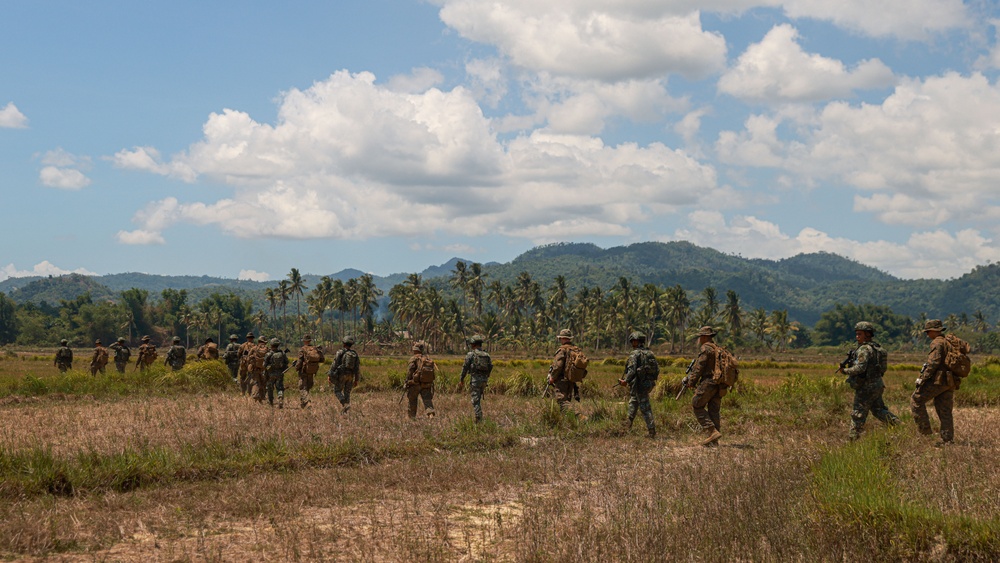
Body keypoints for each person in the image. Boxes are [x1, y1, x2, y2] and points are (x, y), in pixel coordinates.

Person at [838, 321, 899, 440]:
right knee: (878, 410)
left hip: (865, 387)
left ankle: (852, 439)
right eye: (856, 334)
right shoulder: (878, 349)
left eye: (859, 334)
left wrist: (845, 371)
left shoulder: (864, 349)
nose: (857, 337)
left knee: (858, 413)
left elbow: (860, 368)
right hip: (877, 385)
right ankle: (898, 425)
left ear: (867, 334)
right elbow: (883, 368)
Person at [911, 319, 958, 445]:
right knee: (945, 410)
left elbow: (933, 363)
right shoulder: (948, 342)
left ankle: (925, 434)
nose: (927, 335)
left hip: (939, 381)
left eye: (928, 332)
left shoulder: (937, 343)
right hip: (950, 381)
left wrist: (922, 379)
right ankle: (947, 439)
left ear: (933, 331)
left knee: (916, 400)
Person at [682, 326, 726, 446]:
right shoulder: (718, 349)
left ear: (705, 336)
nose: (699, 339)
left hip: (708, 382)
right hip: (719, 384)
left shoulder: (706, 349)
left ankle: (712, 431)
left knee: (697, 404)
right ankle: (714, 441)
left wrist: (691, 382)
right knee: (714, 410)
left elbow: (699, 367)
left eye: (701, 336)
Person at [618, 331, 658, 438]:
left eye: (632, 341)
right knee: (633, 403)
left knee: (645, 408)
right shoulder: (649, 353)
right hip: (647, 383)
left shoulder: (634, 354)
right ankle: (627, 427)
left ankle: (652, 432)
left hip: (639, 385)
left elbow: (631, 371)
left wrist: (625, 381)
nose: (632, 343)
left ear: (635, 341)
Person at [458, 334, 493, 423]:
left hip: (475, 381)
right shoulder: (487, 355)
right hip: (484, 380)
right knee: (478, 399)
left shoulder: (471, 354)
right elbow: (490, 367)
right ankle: (479, 417)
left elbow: (465, 367)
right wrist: (486, 376)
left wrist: (461, 379)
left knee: (475, 401)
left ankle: (479, 419)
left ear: (473, 344)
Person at [547, 329, 583, 411]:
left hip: (562, 380)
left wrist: (552, 377)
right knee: (567, 401)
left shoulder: (562, 350)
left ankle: (579, 416)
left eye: (560, 338)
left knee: (562, 401)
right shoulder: (574, 349)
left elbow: (558, 366)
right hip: (571, 380)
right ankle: (568, 421)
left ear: (563, 338)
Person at [328, 336, 361, 414]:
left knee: (337, 390)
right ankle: (345, 411)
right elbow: (357, 368)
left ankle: (344, 404)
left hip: (342, 375)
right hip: (351, 376)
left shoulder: (340, 352)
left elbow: (334, 364)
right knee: (347, 392)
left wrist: (330, 375)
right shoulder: (354, 354)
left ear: (343, 344)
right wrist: (356, 379)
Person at [405, 341, 436, 419]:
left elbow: (410, 371)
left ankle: (411, 417)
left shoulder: (414, 358)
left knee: (412, 400)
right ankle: (430, 415)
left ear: (415, 350)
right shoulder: (427, 358)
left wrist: (407, 381)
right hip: (426, 384)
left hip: (415, 384)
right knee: (427, 400)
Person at [295, 335, 325, 409]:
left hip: (304, 371)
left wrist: (296, 367)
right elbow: (322, 359)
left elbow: (300, 361)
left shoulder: (302, 349)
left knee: (302, 388)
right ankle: (303, 404)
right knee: (307, 387)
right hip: (311, 372)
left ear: (304, 341)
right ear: (310, 341)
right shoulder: (315, 349)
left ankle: (307, 402)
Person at [263, 338, 289, 408]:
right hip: (280, 373)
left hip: (270, 374)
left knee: (270, 388)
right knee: (280, 387)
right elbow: (286, 362)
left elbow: (264, 365)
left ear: (271, 345)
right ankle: (280, 397)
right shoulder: (282, 353)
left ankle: (270, 402)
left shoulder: (268, 354)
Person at [249, 335, 269, 402]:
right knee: (263, 383)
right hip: (264, 369)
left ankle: (255, 396)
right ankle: (262, 397)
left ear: (258, 341)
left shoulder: (254, 348)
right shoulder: (267, 349)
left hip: (255, 368)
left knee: (256, 383)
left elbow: (248, 358)